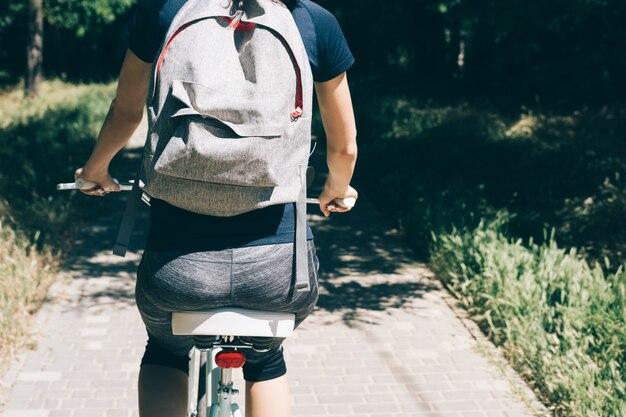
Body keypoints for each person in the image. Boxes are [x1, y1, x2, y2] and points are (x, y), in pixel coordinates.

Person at [74, 0, 357, 416]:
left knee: (166, 350)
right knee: (265, 359)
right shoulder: (312, 22)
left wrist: (96, 170)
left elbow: (126, 112)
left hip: (177, 268)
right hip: (278, 271)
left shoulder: (163, 10)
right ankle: (261, 363)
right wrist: (338, 187)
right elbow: (345, 147)